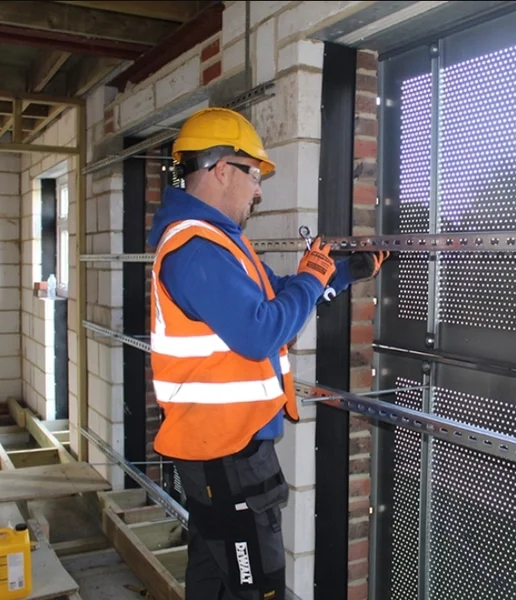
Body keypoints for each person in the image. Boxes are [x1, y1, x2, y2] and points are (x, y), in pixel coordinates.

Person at [147, 106, 389, 600]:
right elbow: (261, 331)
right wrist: (311, 277)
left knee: (214, 581)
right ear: (219, 170)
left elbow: (278, 292)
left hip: (223, 450)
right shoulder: (198, 250)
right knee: (259, 588)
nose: (258, 190)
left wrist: (340, 274)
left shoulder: (217, 242)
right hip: (225, 454)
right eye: (253, 175)